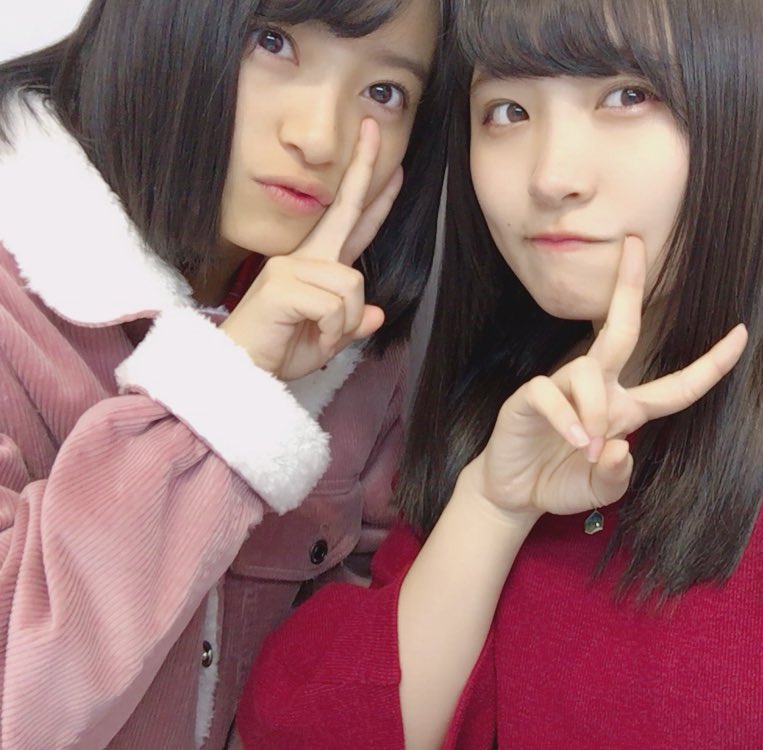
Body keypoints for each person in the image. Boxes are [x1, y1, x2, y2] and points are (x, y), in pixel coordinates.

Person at [235, 0, 763, 747]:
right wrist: (490, 511)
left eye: (627, 96)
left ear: (743, 103)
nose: (552, 177)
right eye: (507, 111)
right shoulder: (492, 415)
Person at [0, 0, 450, 746]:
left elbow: (342, 679)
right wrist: (226, 385)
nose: (320, 138)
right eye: (272, 43)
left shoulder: (358, 342)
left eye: (384, 91)